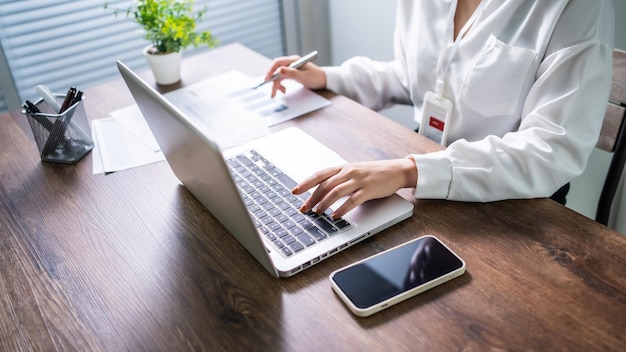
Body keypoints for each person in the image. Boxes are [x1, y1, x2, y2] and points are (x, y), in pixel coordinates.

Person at [263, 0, 614, 220]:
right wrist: (328, 77)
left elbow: (550, 152)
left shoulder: (576, 6)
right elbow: (410, 76)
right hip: (421, 173)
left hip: (516, 204)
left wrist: (408, 172)